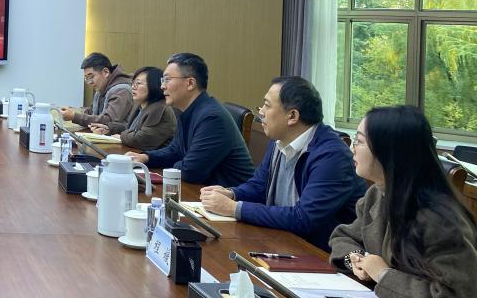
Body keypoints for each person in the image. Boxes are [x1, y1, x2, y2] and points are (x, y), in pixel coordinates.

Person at [199, 76, 367, 251]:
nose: (261, 112)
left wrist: (234, 208)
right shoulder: (280, 139)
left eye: (267, 105)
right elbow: (259, 186)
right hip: (281, 239)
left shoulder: (332, 156)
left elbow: (304, 218)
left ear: (292, 116)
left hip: (318, 254)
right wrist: (231, 194)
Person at [329, 106, 477, 297]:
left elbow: (454, 294)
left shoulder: (439, 221)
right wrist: (355, 260)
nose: (352, 148)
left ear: (388, 151)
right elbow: (344, 236)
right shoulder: (377, 194)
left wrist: (383, 275)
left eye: (359, 141)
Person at [128, 53, 254, 187]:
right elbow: (175, 151)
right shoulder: (189, 110)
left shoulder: (212, 117)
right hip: (202, 190)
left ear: (190, 83)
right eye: (162, 80)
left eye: (167, 79)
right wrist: (146, 157)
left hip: (229, 195)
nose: (162, 86)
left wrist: (175, 164)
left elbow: (191, 171)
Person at [90, 66, 176, 152]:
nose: (133, 87)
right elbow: (130, 128)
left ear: (153, 85)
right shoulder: (141, 106)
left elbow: (143, 139)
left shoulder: (160, 108)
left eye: (138, 83)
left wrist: (121, 137)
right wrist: (109, 129)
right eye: (133, 83)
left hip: (151, 159)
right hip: (135, 154)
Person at [60, 52, 134, 129]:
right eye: (86, 78)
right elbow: (92, 112)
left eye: (91, 77)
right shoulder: (102, 89)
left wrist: (74, 116)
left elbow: (109, 121)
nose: (89, 82)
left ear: (105, 72)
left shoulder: (121, 91)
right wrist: (73, 111)